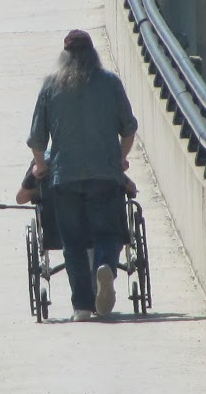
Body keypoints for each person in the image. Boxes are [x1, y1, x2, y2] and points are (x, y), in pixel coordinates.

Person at [27, 28, 138, 320]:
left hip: (65, 178)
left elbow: (37, 138)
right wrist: (122, 158)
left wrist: (40, 164)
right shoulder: (110, 83)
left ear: (64, 57)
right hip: (106, 175)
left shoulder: (51, 87)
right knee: (108, 233)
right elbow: (129, 128)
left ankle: (82, 307)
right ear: (93, 55)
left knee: (73, 243)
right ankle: (105, 266)